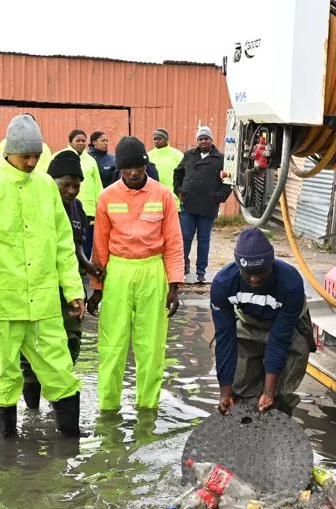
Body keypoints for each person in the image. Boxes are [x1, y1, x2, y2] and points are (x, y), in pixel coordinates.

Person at [0, 115, 85, 439]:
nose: (32, 162)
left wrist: (73, 289)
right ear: (9, 152)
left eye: (36, 156)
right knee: (2, 375)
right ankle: (7, 445)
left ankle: (70, 442)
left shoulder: (46, 187)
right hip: (2, 305)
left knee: (60, 370)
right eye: (26, 157)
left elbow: (64, 243)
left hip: (45, 303)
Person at [89, 136, 183, 412]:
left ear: (146, 166)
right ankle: (107, 409)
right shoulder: (107, 197)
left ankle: (147, 409)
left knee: (151, 346)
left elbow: (174, 242)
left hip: (153, 270)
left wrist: (174, 285)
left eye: (138, 168)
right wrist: (97, 288)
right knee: (112, 346)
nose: (133, 173)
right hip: (117, 270)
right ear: (119, 169)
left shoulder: (163, 195)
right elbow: (100, 245)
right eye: (126, 169)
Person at [20, 150, 105, 411]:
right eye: (65, 184)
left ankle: (59, 399)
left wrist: (90, 267)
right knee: (31, 350)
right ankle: (32, 411)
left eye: (76, 186)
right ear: (50, 181)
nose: (71, 191)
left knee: (70, 342)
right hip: (38, 285)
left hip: (70, 285)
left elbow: (75, 246)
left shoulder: (77, 208)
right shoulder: (34, 205)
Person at [210, 227, 315, 416]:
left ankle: (277, 413)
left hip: (287, 326)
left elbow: (279, 339)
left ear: (271, 264)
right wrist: (224, 393)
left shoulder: (290, 283)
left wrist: (268, 393)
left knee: (280, 393)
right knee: (240, 386)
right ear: (238, 266)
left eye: (261, 271)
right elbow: (225, 339)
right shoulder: (223, 284)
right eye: (248, 273)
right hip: (248, 323)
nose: (255, 278)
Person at [173, 126, 229, 284]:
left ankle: (201, 271)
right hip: (188, 205)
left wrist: (219, 197)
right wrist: (179, 190)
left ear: (212, 140)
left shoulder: (221, 159)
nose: (203, 141)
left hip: (208, 206)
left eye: (206, 138)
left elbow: (228, 181)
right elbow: (178, 173)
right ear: (197, 141)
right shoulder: (189, 156)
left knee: (204, 240)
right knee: (185, 238)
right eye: (200, 139)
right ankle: (181, 268)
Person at [60, 129, 103, 257]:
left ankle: (84, 272)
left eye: (83, 141)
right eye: (77, 140)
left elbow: (98, 185)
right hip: (67, 207)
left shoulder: (91, 160)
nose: (81, 143)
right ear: (70, 141)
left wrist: (99, 207)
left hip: (88, 210)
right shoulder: (61, 156)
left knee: (86, 244)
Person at [147, 128, 182, 210]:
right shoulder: (148, 156)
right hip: (153, 201)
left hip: (174, 200)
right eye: (154, 139)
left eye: (159, 138)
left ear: (166, 139)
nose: (156, 141)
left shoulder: (177, 155)